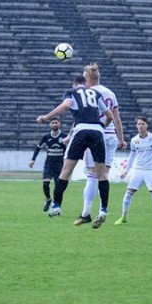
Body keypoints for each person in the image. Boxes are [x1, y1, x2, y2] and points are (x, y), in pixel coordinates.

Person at [36, 75, 114, 228]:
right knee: (102, 174)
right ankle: (103, 209)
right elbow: (110, 116)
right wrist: (101, 127)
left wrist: (46, 117)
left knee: (66, 171)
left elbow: (65, 106)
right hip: (97, 132)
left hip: (81, 130)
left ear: (74, 84)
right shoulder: (96, 93)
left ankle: (56, 206)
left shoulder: (71, 93)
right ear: (86, 84)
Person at [74, 63, 126, 227]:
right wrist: (121, 139)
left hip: (95, 134)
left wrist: (71, 136)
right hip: (111, 137)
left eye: (84, 78)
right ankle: (103, 210)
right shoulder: (110, 93)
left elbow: (83, 117)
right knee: (103, 176)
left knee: (91, 176)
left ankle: (86, 214)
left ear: (89, 79)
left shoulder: (88, 94)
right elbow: (116, 118)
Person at [114, 116, 152, 227]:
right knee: (128, 193)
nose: (140, 126)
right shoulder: (134, 140)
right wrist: (126, 171)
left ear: (147, 125)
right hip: (138, 170)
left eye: (142, 124)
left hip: (151, 171)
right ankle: (123, 217)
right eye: (139, 124)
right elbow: (132, 156)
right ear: (136, 126)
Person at [28, 118, 67, 212]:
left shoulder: (64, 136)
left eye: (56, 123)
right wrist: (32, 160)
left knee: (58, 188)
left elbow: (69, 149)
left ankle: (57, 208)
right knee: (45, 184)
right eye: (52, 123)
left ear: (59, 124)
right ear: (50, 125)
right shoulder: (46, 137)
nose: (54, 124)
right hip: (49, 164)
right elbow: (38, 148)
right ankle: (48, 199)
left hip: (60, 166)